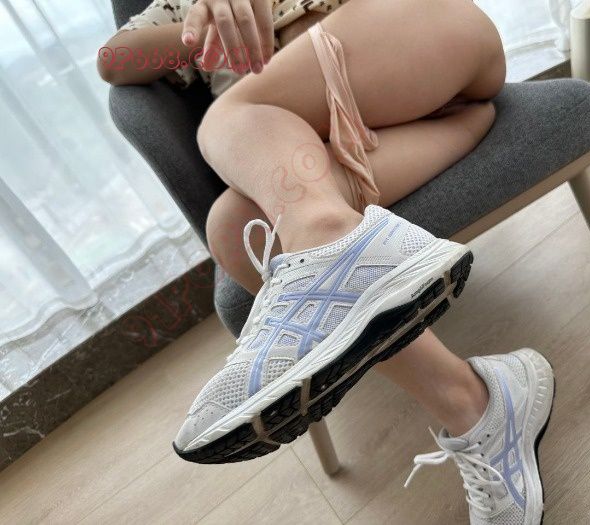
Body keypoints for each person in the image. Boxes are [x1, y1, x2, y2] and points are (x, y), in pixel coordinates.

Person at [98, 1, 555, 523]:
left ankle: (327, 238)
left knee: (225, 119)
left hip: (426, 41)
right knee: (233, 227)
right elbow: (115, 61)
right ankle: (477, 404)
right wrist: (204, 25)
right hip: (406, 132)